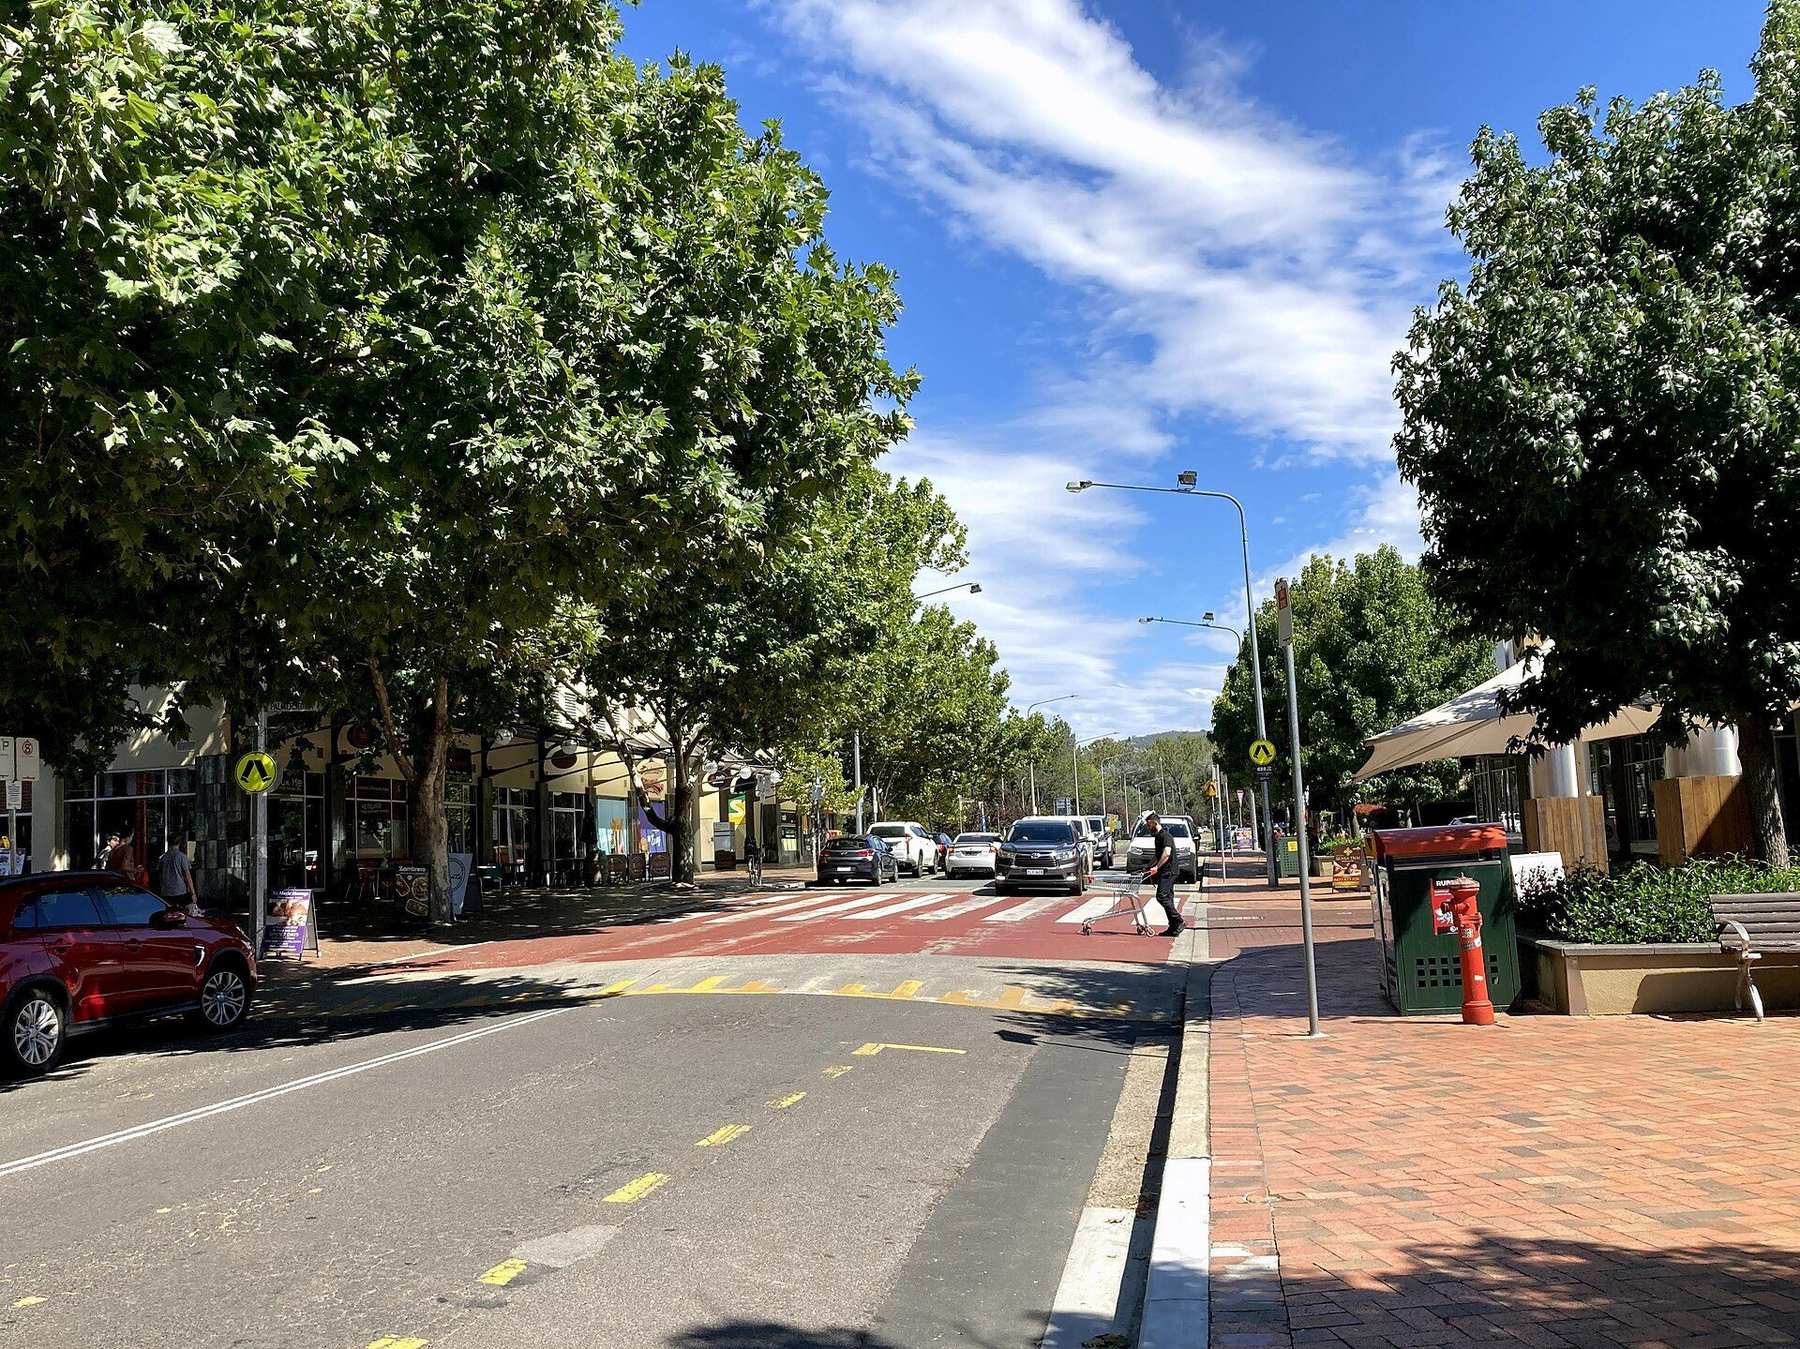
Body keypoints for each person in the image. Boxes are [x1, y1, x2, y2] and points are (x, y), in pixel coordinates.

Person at [1142, 811, 1184, 937]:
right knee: (1168, 898)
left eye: (1149, 825)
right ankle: (1173, 927)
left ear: (1154, 823)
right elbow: (1157, 855)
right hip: (1164, 871)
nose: (1148, 828)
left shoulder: (1166, 836)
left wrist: (1157, 867)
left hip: (1169, 871)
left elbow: (1166, 853)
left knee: (1162, 896)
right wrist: (1147, 867)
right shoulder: (1157, 837)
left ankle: (1178, 920)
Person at [157, 834, 199, 912]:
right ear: (179, 843)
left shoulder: (163, 858)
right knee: (188, 911)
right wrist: (193, 893)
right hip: (180, 890)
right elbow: (187, 876)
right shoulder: (181, 857)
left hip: (166, 891)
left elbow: (160, 875)